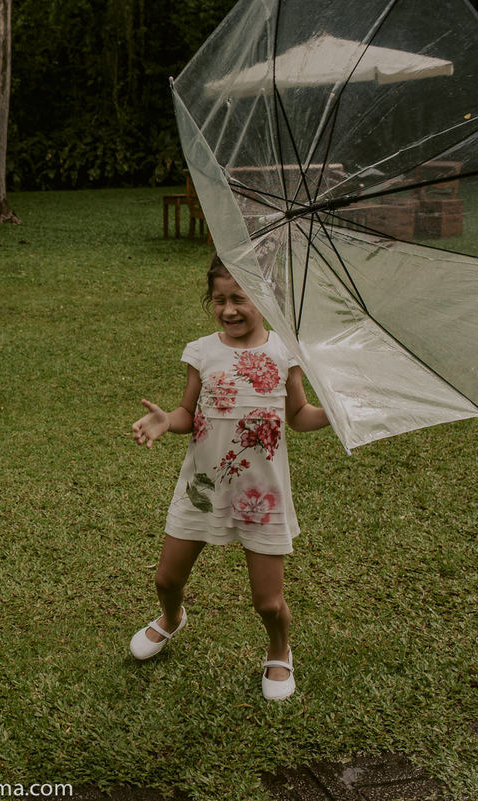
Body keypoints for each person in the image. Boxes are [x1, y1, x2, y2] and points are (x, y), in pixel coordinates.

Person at [129, 256, 329, 700]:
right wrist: (167, 421)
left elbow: (299, 416)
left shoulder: (284, 352)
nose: (229, 309)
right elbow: (187, 411)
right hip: (202, 488)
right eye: (219, 299)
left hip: (262, 495)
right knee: (166, 579)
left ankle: (280, 649)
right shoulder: (202, 350)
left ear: (263, 299)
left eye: (239, 298)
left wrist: (336, 414)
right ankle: (172, 618)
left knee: (268, 603)